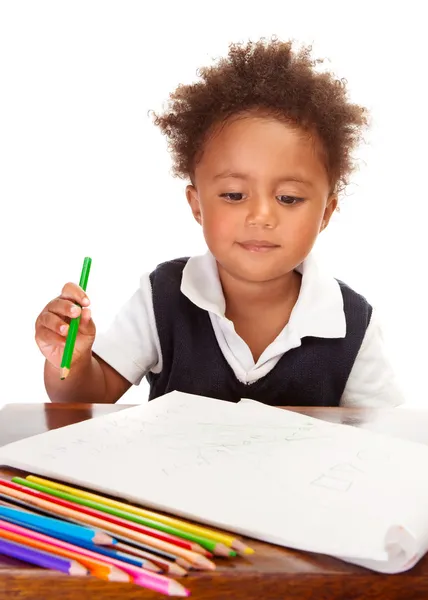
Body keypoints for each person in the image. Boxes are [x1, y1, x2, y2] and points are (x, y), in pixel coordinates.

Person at [34, 37, 405, 408]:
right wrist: (71, 361)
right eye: (233, 195)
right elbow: (84, 398)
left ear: (325, 213)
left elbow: (388, 438)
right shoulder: (163, 297)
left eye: (288, 198)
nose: (261, 216)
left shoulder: (352, 323)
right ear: (197, 205)